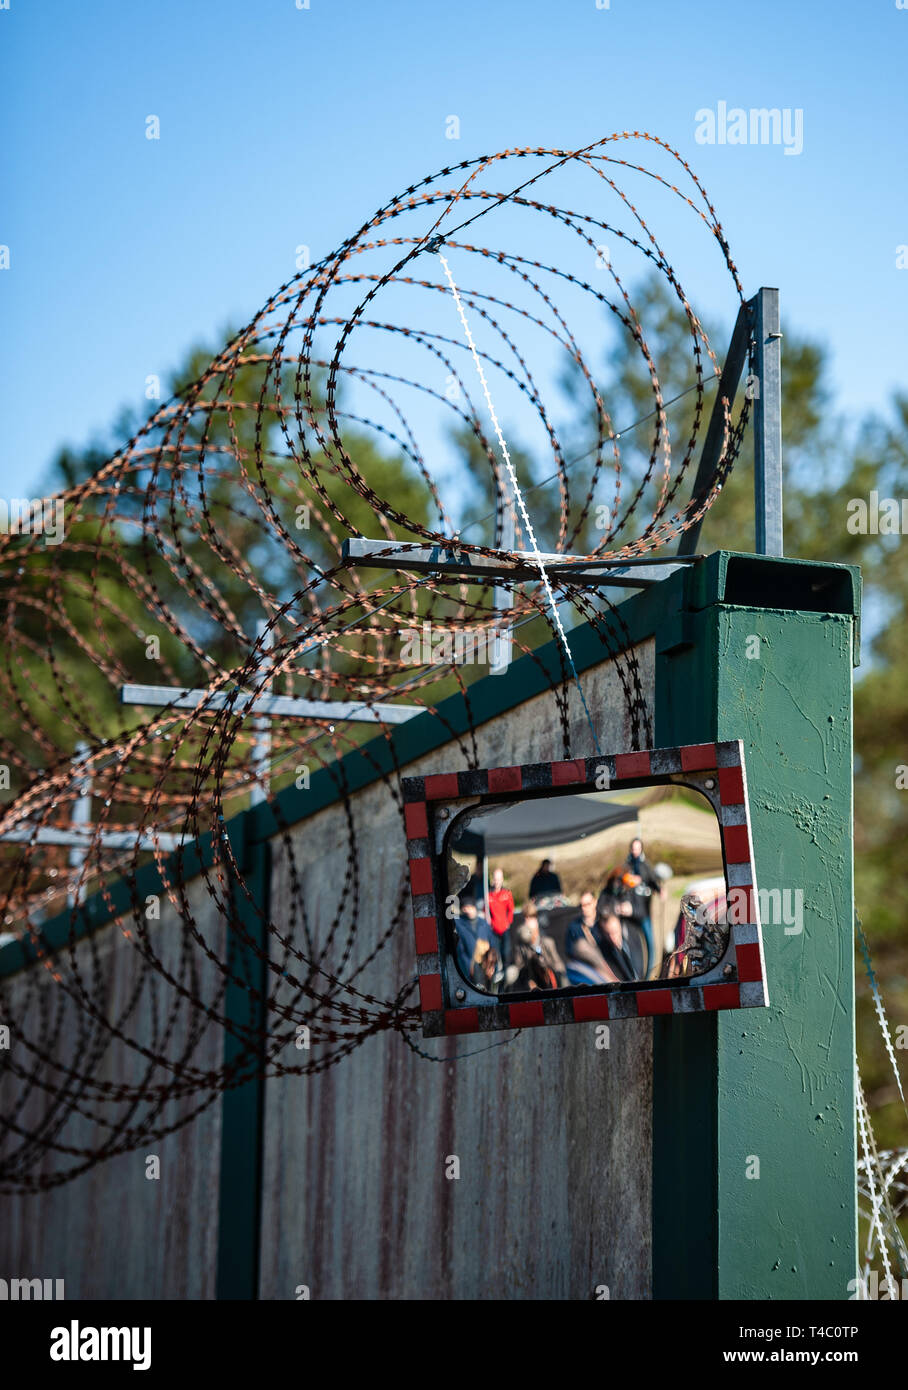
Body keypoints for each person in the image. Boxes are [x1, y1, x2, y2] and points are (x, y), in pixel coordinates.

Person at [504, 901, 568, 992]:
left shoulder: (546, 941)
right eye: (526, 918)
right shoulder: (521, 945)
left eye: (531, 917)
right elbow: (518, 967)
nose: (528, 921)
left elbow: (558, 965)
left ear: (536, 919)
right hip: (529, 985)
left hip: (549, 982)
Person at [624, 837, 665, 975]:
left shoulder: (645, 865)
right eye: (633, 848)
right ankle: (634, 975)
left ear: (641, 849)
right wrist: (630, 880)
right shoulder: (626, 866)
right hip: (630, 914)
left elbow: (653, 881)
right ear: (630, 849)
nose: (635, 851)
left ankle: (649, 975)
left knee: (651, 945)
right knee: (633, 946)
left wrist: (660, 891)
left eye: (638, 848)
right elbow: (620, 881)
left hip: (644, 913)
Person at [564, 891, 624, 985]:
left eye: (588, 904)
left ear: (595, 902)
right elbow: (570, 951)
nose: (585, 908)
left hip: (610, 965)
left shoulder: (603, 922)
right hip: (589, 970)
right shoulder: (574, 926)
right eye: (582, 905)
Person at [486, 866, 515, 966]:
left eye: (499, 879)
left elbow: (511, 909)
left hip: (505, 929)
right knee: (495, 954)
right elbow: (485, 911)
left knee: (506, 953)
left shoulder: (506, 893)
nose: (497, 881)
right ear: (492, 879)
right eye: (495, 879)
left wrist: (509, 922)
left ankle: (507, 974)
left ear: (502, 880)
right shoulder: (488, 895)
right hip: (493, 930)